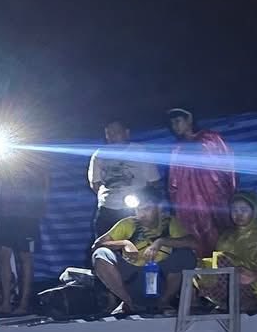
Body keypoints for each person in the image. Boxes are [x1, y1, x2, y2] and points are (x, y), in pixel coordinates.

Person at [91, 185, 197, 316]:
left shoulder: (170, 223)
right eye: (137, 209)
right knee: (100, 254)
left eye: (146, 209)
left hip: (161, 280)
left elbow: (193, 243)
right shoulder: (128, 224)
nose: (141, 214)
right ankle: (128, 302)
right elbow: (97, 244)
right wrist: (124, 243)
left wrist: (161, 241)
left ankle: (164, 302)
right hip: (133, 279)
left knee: (185, 255)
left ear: (159, 208)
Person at [165, 108, 235, 260]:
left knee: (220, 237)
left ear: (189, 119)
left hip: (214, 198)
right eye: (172, 123)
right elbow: (173, 182)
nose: (175, 126)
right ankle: (202, 280)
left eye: (178, 121)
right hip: (189, 204)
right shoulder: (177, 148)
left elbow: (228, 166)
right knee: (195, 240)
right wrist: (176, 206)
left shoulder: (210, 138)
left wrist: (231, 195)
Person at [202, 191, 257, 313]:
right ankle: (228, 300)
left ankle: (252, 300)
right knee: (199, 265)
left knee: (224, 259)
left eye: (243, 210)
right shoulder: (226, 236)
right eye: (234, 210)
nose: (238, 214)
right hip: (230, 285)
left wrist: (254, 273)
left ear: (256, 210)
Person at [0, 151, 49, 314]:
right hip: (5, 214)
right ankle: (6, 303)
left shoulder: (34, 163)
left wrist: (41, 205)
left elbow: (45, 179)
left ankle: (23, 304)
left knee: (25, 257)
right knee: (3, 255)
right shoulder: (6, 161)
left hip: (26, 216)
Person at [87, 121, 161, 240]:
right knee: (105, 246)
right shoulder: (99, 154)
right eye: (108, 134)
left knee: (138, 246)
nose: (112, 136)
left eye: (116, 132)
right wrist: (110, 198)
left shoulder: (140, 151)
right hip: (108, 210)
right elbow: (95, 183)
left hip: (136, 210)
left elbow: (153, 181)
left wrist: (143, 201)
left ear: (126, 133)